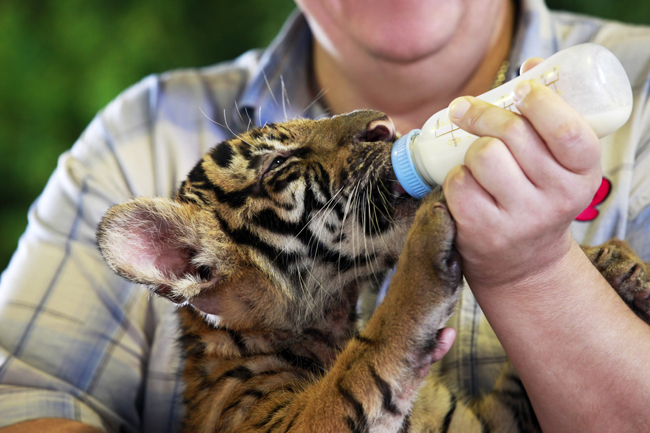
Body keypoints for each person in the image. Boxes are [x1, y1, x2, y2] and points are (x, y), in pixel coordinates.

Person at [1, 0, 650, 431]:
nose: (372, 127)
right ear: (206, 271)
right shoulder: (132, 140)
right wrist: (408, 310)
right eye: (286, 163)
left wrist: (538, 273)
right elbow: (20, 403)